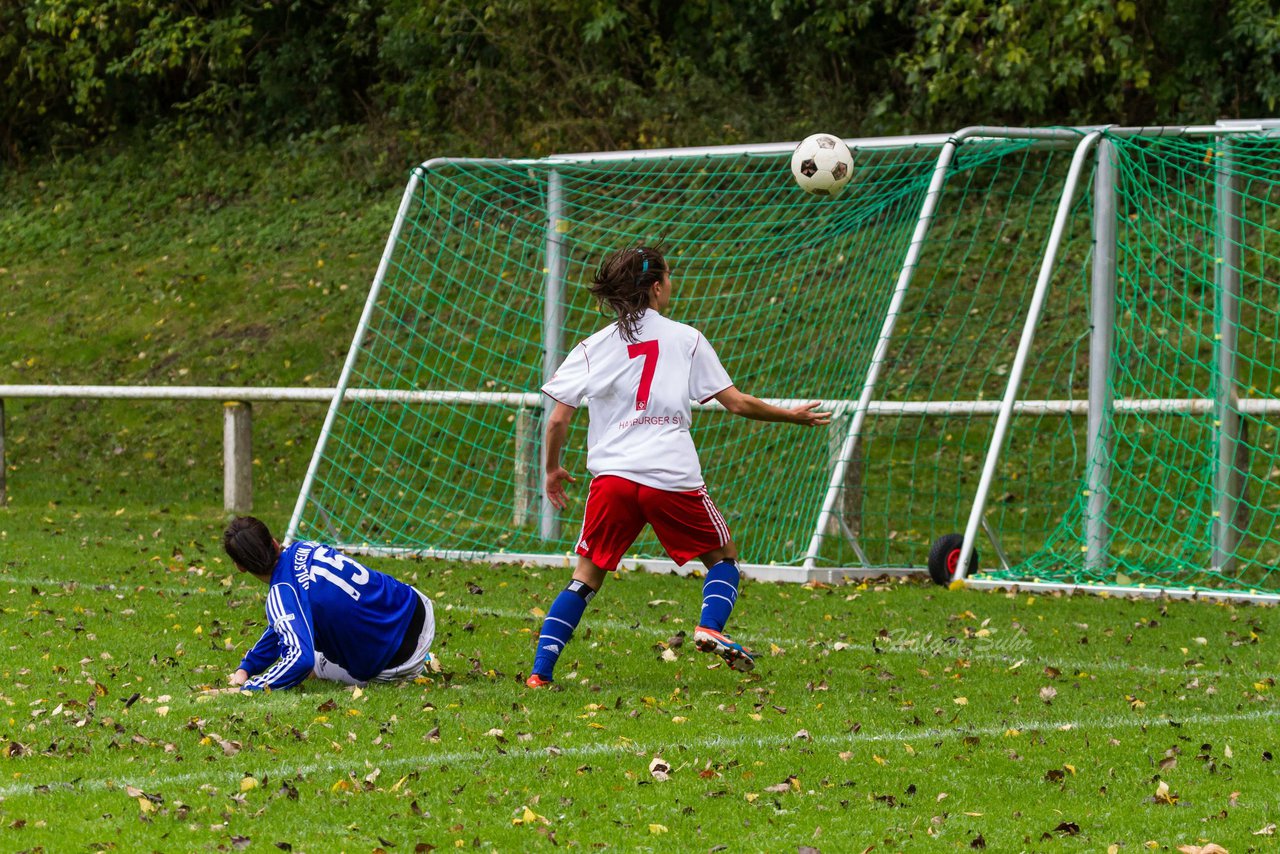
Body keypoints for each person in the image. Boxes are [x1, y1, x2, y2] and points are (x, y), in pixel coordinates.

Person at [526, 244, 830, 688]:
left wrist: (551, 469)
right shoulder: (686, 338)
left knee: (586, 578)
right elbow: (739, 404)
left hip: (612, 480)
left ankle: (540, 674)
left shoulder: (592, 347)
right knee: (723, 559)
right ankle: (710, 626)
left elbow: (557, 418)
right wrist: (793, 415)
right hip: (670, 476)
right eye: (668, 277)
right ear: (655, 287)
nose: (672, 285)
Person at [219, 516, 435, 691]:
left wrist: (250, 687)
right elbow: (284, 622)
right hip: (417, 607)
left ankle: (413, 666)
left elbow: (301, 660)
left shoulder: (282, 593)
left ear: (240, 567)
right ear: (274, 542)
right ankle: (418, 655)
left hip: (398, 662)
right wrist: (247, 667)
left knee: (310, 663)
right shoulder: (306, 547)